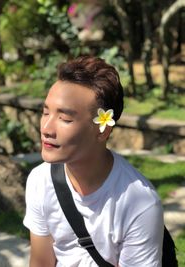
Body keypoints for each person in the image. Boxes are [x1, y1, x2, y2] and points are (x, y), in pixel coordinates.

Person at [23, 56, 164, 267]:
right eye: (45, 112)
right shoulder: (40, 181)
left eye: (65, 119)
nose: (46, 129)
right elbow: (41, 263)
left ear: (103, 130)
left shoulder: (139, 203)